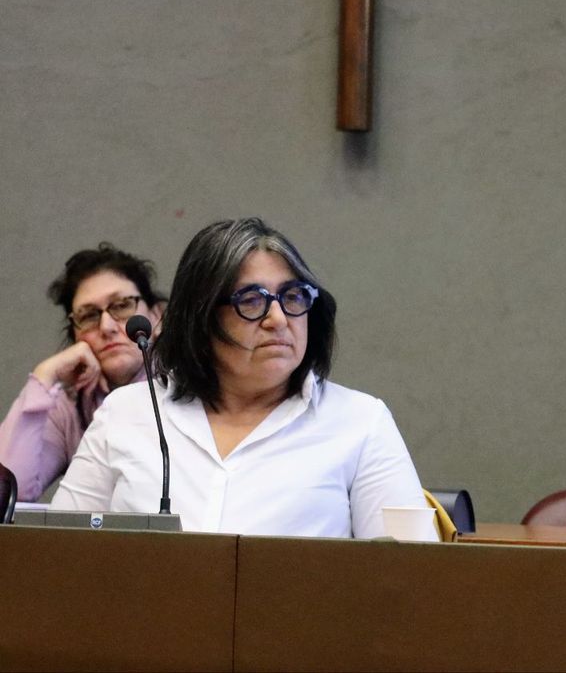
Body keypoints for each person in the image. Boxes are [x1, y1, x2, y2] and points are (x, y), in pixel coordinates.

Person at [51, 217, 427, 538]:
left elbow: (411, 579)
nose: (278, 319)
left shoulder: (361, 423)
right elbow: (54, 554)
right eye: (251, 300)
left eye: (293, 296)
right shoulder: (125, 415)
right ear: (200, 317)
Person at [0, 244, 164, 501]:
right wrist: (44, 376)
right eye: (88, 316)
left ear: (156, 317)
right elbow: (7, 496)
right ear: (75, 335)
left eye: (122, 305)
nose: (107, 327)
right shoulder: (70, 404)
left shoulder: (189, 385)